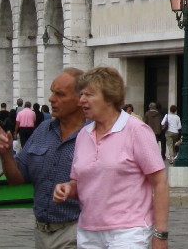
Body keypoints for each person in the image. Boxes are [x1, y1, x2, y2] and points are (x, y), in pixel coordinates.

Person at [54, 66, 169, 249]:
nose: (81, 100)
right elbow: (79, 183)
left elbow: (160, 182)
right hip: (88, 230)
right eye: (81, 94)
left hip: (129, 230)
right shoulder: (83, 135)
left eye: (88, 95)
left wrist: (160, 234)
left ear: (109, 98)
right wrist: (67, 188)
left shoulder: (136, 130)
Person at [0, 67, 87, 249]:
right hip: (42, 232)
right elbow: (16, 179)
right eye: (52, 92)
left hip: (78, 231)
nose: (51, 99)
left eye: (60, 94)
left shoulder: (94, 135)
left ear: (80, 99)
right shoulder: (44, 130)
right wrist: (6, 154)